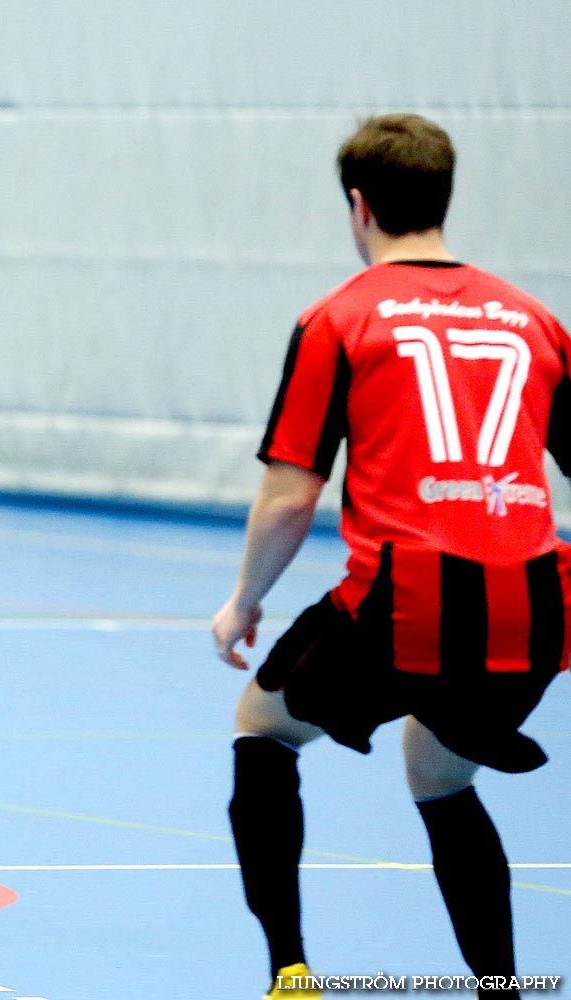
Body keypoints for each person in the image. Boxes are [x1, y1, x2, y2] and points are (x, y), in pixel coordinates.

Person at [211, 113, 571, 1000]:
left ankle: (290, 974)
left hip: (405, 600)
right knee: (438, 772)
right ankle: (500, 990)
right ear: (445, 198)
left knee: (261, 729)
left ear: (358, 206)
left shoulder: (340, 319)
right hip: (534, 606)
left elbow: (293, 494)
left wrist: (243, 603)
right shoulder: (536, 323)